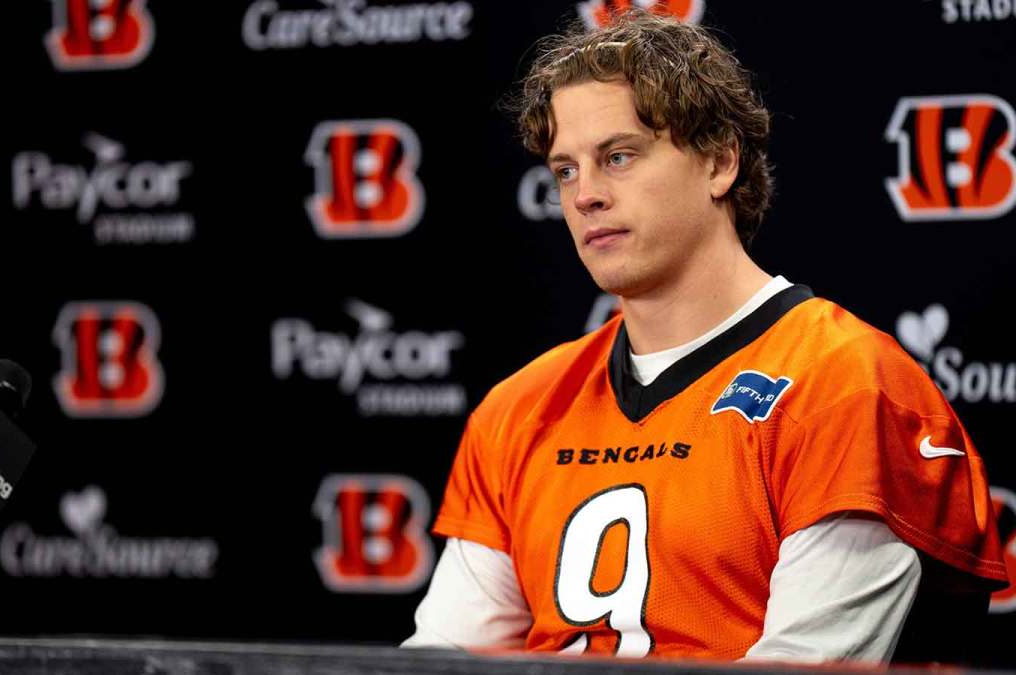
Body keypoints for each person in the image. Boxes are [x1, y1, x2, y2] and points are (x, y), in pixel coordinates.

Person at [401, 8, 1008, 663]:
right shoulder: (519, 406)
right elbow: (444, 659)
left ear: (719, 162)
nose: (584, 196)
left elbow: (803, 666)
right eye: (566, 170)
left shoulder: (844, 383)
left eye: (619, 156)